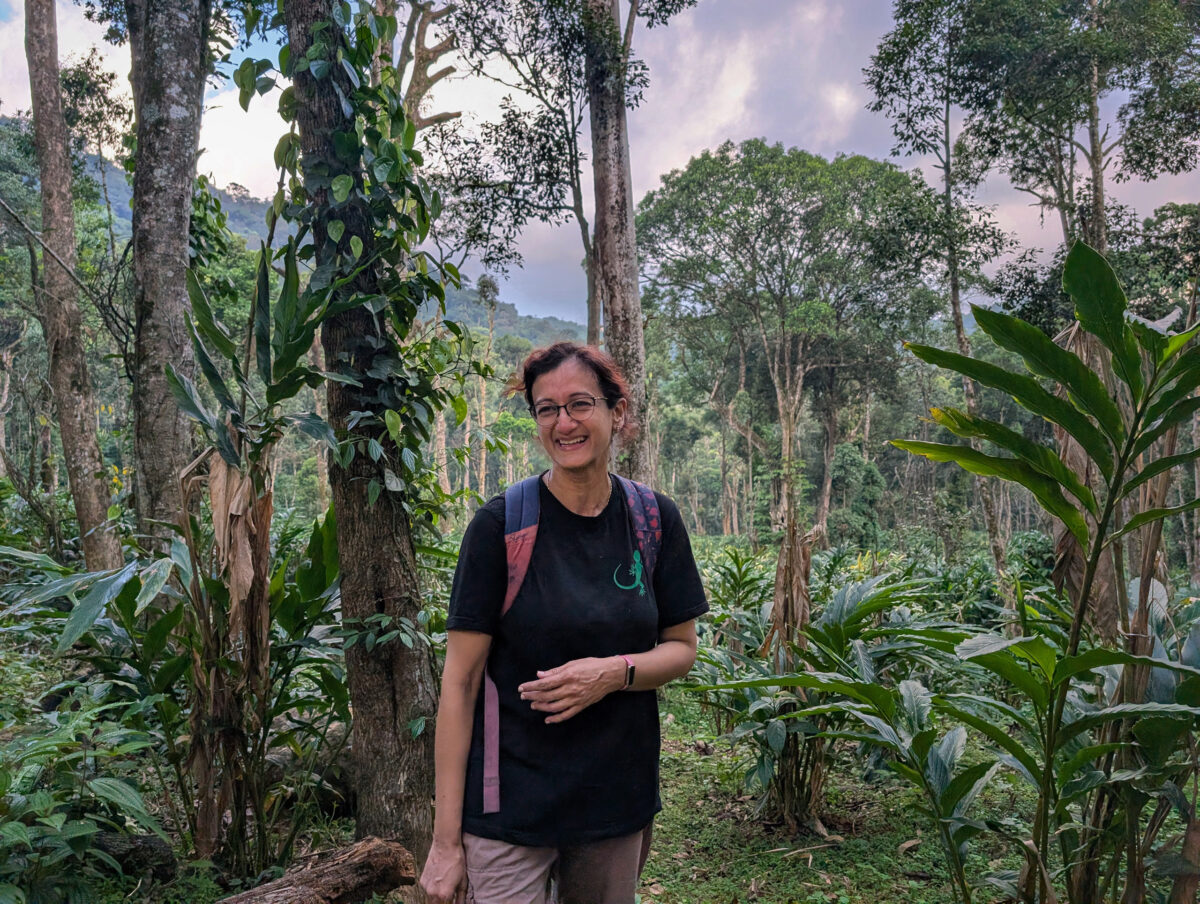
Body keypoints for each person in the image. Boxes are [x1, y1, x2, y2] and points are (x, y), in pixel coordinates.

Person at [420, 341, 708, 904]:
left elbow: (681, 647)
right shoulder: (500, 527)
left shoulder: (653, 520)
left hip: (614, 800)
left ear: (615, 413)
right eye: (546, 409)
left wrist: (614, 672)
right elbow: (458, 684)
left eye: (580, 404)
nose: (564, 422)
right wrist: (445, 843)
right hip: (508, 808)